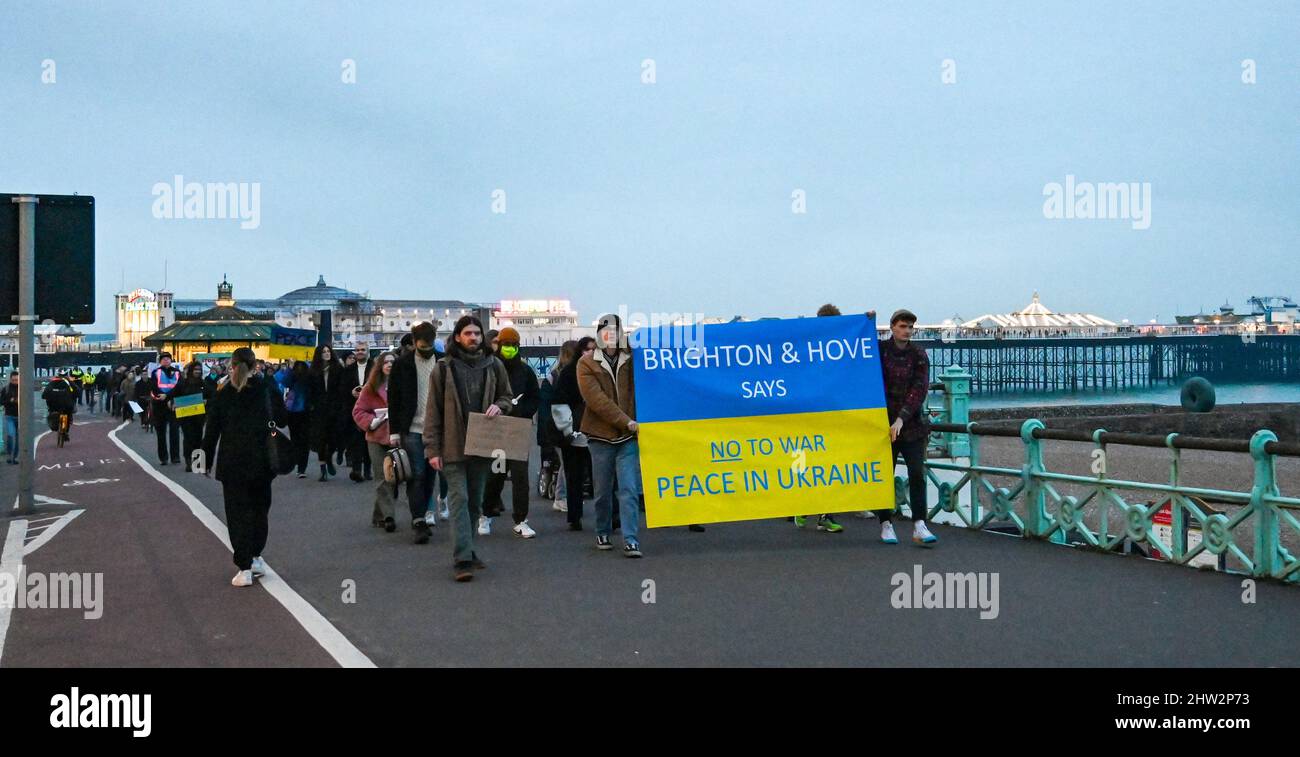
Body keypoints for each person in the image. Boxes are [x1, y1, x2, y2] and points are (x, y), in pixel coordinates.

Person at [423, 315, 513, 582]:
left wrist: (501, 405)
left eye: (477, 333)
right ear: (458, 337)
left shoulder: (494, 365)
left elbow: (507, 396)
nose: (473, 338)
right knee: (459, 499)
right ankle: (462, 559)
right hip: (451, 445)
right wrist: (432, 449)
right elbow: (433, 411)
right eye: (468, 333)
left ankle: (470, 549)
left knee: (475, 501)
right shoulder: (443, 368)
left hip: (482, 444)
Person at [200, 347, 289, 586]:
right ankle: (257, 555)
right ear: (254, 365)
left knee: (237, 514)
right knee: (260, 510)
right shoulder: (267, 388)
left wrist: (204, 460)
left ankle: (244, 567)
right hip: (262, 460)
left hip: (232, 461)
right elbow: (282, 419)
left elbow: (212, 430)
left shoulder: (223, 391)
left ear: (232, 364)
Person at [577, 314, 644, 557]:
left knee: (629, 488)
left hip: (628, 437)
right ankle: (602, 529)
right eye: (606, 331)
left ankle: (631, 539)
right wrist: (626, 420)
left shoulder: (633, 358)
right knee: (603, 490)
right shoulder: (586, 364)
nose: (611, 336)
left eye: (616, 331)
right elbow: (596, 401)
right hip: (600, 435)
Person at [872, 308, 938, 545]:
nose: (907, 331)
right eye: (902, 326)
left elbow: (919, 390)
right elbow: (860, 353)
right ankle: (885, 523)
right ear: (892, 327)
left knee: (917, 474)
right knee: (883, 475)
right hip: (882, 426)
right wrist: (868, 321)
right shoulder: (881, 351)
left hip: (911, 426)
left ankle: (920, 524)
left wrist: (900, 419)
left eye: (910, 327)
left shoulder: (919, 355)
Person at [791, 305, 847, 533]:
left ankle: (825, 514)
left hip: (832, 416)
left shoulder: (842, 347)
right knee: (809, 466)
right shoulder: (807, 344)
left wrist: (866, 320)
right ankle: (805, 506)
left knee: (830, 466)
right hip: (809, 416)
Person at [481, 327, 540, 538]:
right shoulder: (489, 368)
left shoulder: (526, 371)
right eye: (505, 345)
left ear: (518, 346)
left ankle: (521, 519)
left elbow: (535, 397)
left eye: (512, 346)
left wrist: (523, 411)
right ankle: (485, 514)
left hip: (518, 428)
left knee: (520, 476)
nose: (509, 349)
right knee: (495, 474)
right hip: (495, 428)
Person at [388, 322, 440, 543]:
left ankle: (423, 513)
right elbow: (394, 398)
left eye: (429, 345)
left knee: (430, 476)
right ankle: (418, 520)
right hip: (411, 427)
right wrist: (394, 432)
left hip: (436, 428)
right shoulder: (403, 364)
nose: (426, 349)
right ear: (414, 343)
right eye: (421, 346)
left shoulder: (443, 362)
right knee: (416, 474)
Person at [352, 351, 399, 532]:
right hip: (376, 436)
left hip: (397, 437)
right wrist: (372, 421)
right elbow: (358, 411)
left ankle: (379, 514)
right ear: (380, 366)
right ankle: (389, 516)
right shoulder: (370, 388)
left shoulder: (403, 385)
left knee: (395, 477)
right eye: (386, 362)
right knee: (382, 476)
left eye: (392, 362)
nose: (389, 365)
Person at [551, 336, 594, 530]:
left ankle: (612, 515)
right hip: (574, 432)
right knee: (574, 476)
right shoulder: (570, 374)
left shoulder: (596, 371)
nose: (591, 353)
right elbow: (559, 403)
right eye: (587, 349)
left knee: (603, 478)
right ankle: (574, 516)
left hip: (594, 432)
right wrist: (568, 430)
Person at [307, 345, 345, 481]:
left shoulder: (338, 369)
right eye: (323, 352)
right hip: (319, 410)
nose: (327, 354)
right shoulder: (313, 371)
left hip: (335, 409)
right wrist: (311, 406)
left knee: (334, 438)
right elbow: (309, 390)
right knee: (321, 439)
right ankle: (323, 470)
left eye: (328, 351)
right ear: (319, 354)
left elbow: (342, 388)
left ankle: (329, 458)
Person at [340, 343, 373, 483]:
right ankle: (356, 469)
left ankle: (367, 469)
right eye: (358, 350)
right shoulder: (348, 370)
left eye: (362, 350)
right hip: (352, 410)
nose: (360, 352)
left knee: (368, 441)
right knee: (355, 441)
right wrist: (351, 392)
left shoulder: (375, 367)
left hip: (371, 409)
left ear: (368, 352)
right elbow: (341, 388)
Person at [173, 361, 210, 472]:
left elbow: (212, 396)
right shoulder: (183, 384)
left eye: (199, 370)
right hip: (186, 416)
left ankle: (198, 462)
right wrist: (172, 402)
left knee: (198, 438)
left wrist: (206, 400)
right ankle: (188, 461)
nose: (197, 372)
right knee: (188, 438)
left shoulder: (203, 384)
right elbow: (173, 394)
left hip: (199, 416)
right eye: (195, 370)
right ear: (191, 371)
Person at [149, 352, 183, 465]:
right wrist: (162, 396)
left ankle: (175, 457)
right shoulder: (155, 372)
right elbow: (154, 388)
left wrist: (168, 397)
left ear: (171, 360)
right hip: (160, 405)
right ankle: (163, 457)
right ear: (160, 361)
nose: (166, 361)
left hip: (173, 404)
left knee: (174, 431)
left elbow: (180, 387)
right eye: (164, 359)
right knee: (161, 433)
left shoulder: (178, 372)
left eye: (168, 359)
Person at [42, 370, 77, 443]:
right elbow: (76, 391)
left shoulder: (52, 382)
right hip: (66, 405)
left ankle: (61, 427)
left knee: (53, 413)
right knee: (69, 414)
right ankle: (66, 430)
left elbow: (44, 394)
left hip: (53, 406)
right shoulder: (68, 382)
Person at [2, 371, 19, 464]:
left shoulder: (22, 388)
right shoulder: (6, 389)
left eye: (17, 380)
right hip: (10, 416)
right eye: (13, 380)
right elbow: (2, 401)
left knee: (19, 437)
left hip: (21, 417)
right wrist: (11, 400)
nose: (15, 381)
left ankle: (15, 457)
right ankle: (9, 455)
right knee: (11, 435)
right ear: (10, 379)